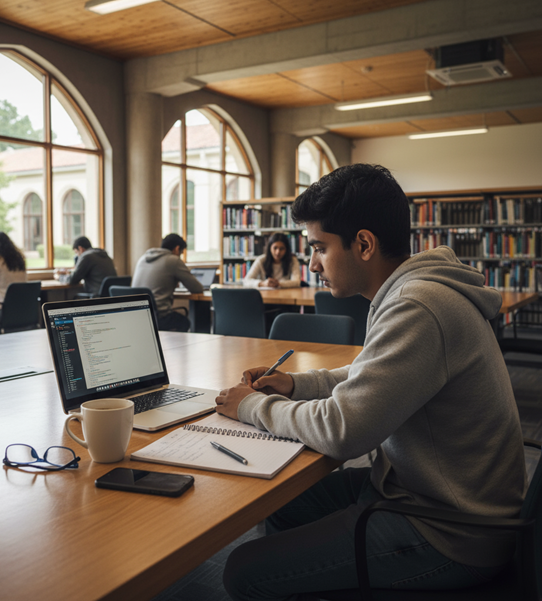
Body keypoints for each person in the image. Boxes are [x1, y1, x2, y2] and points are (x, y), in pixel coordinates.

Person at [215, 164, 526, 600]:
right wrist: (294, 385)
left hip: (450, 530)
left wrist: (249, 406)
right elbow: (369, 375)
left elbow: (343, 431)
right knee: (283, 501)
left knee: (242, 571)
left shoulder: (418, 306)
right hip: (425, 493)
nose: (312, 263)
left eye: (320, 247)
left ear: (363, 244)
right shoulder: (412, 291)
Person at [132, 233, 203, 332]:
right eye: (181, 252)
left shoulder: (143, 258)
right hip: (158, 316)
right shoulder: (173, 260)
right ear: (177, 249)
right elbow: (197, 288)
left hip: (136, 314)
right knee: (184, 322)